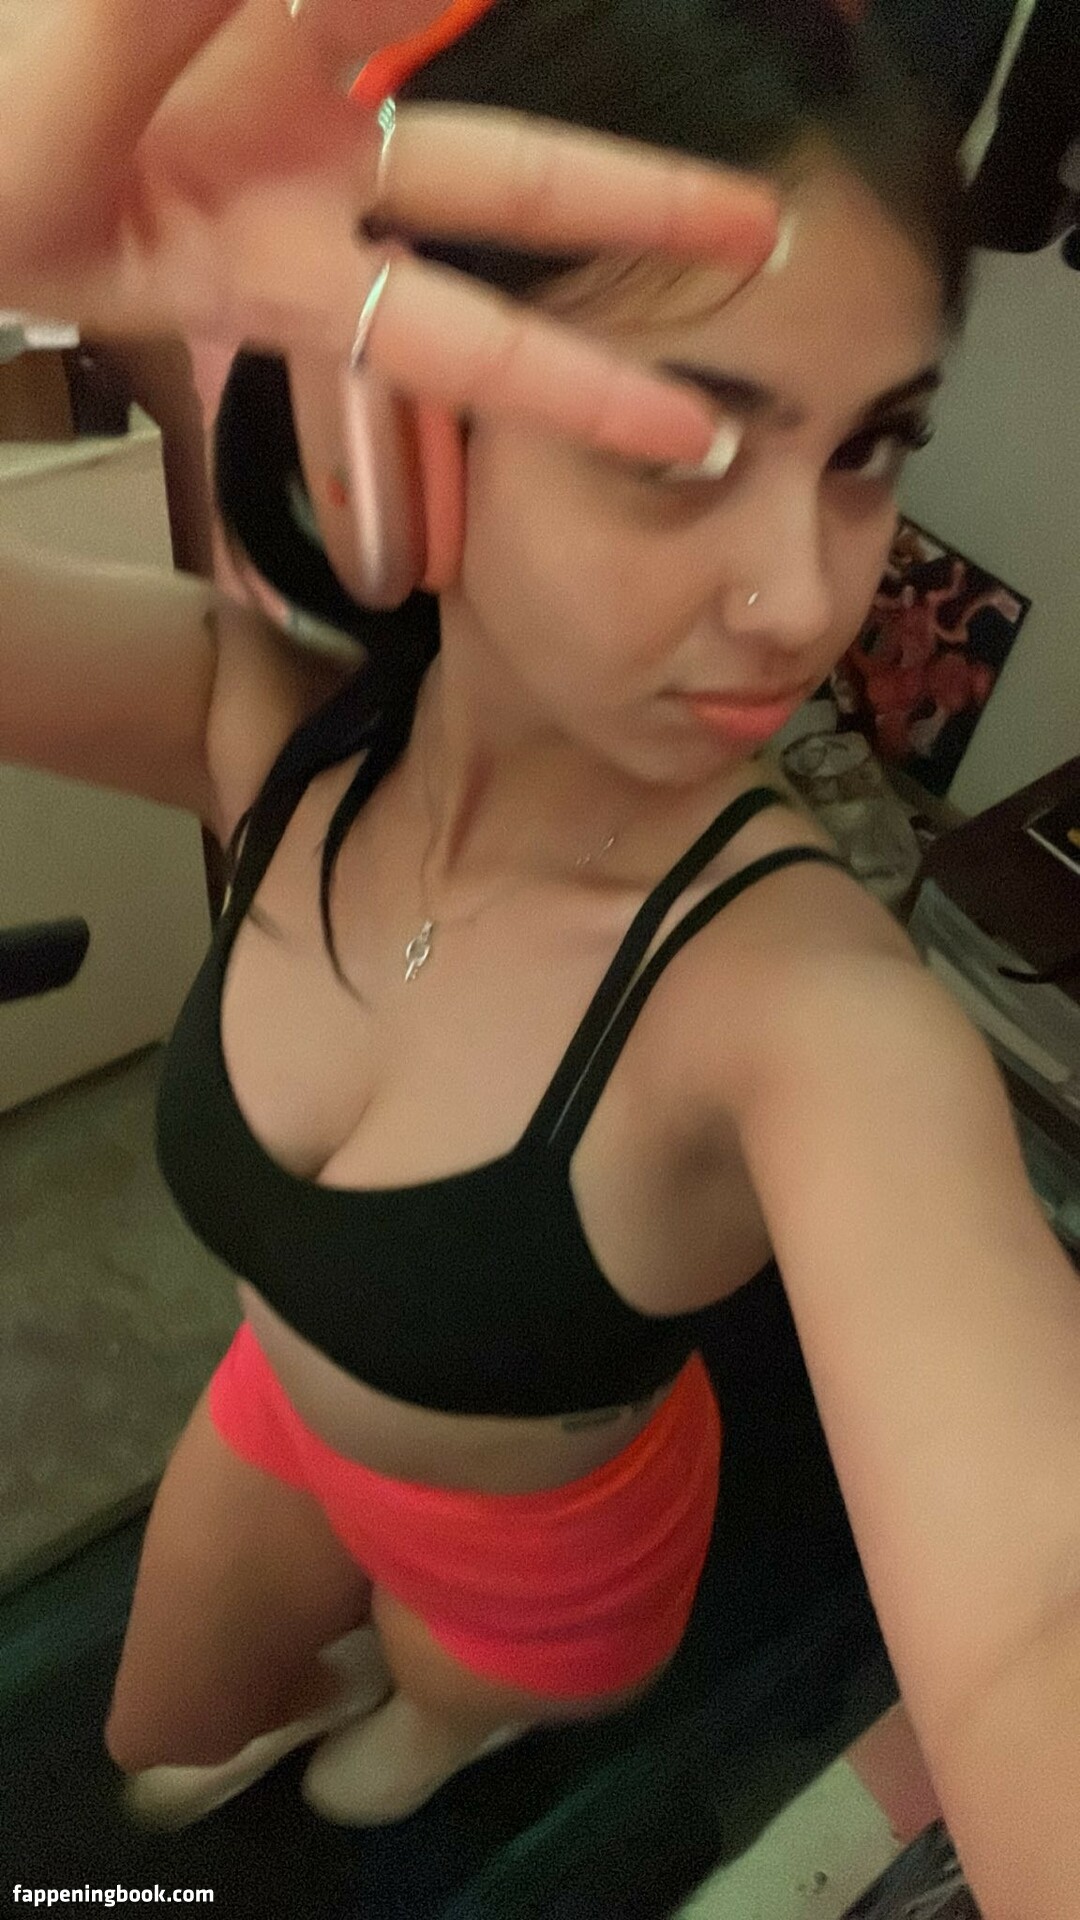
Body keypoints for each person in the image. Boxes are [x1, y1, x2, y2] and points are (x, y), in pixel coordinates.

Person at [3, 6, 1079, 1915]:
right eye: (677, 449)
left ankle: (468, 1723)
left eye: (867, 450)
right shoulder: (264, 722)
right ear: (398, 417)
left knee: (373, 1799)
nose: (808, 598)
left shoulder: (808, 1014)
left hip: (541, 1571)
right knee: (152, 1760)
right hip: (275, 1406)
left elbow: (1038, 1624)